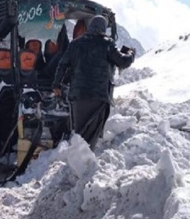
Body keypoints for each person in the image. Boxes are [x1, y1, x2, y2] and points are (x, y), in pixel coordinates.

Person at [52, 15, 134, 150]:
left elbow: (62, 65)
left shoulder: (76, 44)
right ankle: (86, 161)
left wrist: (56, 84)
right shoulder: (107, 44)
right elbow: (123, 62)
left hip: (78, 96)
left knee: (80, 131)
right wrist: (131, 54)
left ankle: (79, 158)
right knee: (93, 131)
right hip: (98, 96)